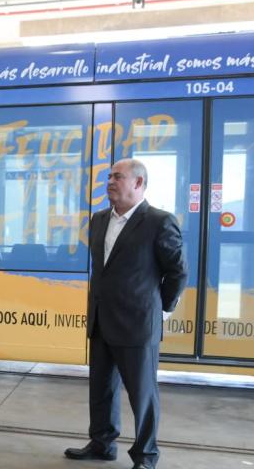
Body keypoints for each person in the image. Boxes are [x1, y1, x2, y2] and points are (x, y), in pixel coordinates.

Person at [65, 158, 187, 469]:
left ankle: (146, 455)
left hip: (137, 325)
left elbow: (177, 272)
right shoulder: (99, 219)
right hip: (102, 320)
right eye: (109, 177)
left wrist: (161, 309)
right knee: (101, 389)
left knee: (142, 395)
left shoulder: (159, 221)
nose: (110, 182)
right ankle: (102, 443)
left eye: (118, 177)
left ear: (138, 184)